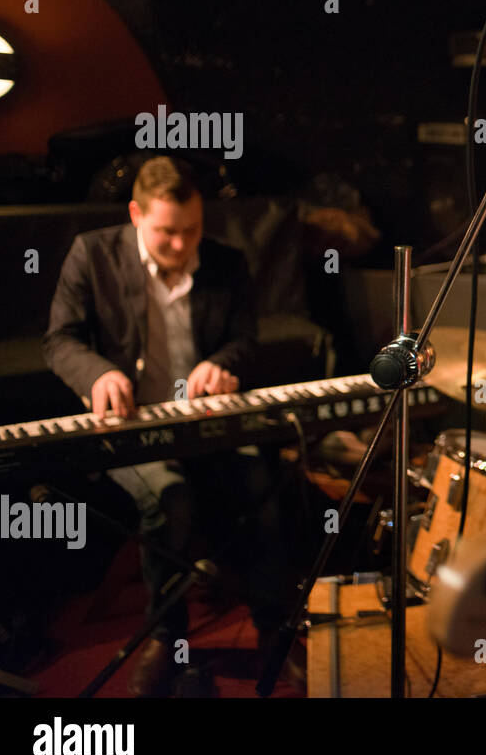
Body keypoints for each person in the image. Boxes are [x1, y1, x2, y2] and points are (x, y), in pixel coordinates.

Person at [43, 156, 301, 695]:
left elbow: (245, 340)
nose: (182, 246)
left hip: (206, 420)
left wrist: (223, 363)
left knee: (263, 488)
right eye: (167, 233)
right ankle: (167, 635)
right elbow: (60, 341)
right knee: (170, 499)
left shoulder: (227, 262)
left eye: (192, 231)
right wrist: (98, 374)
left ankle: (275, 631)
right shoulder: (92, 256)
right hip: (134, 423)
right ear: (136, 215)